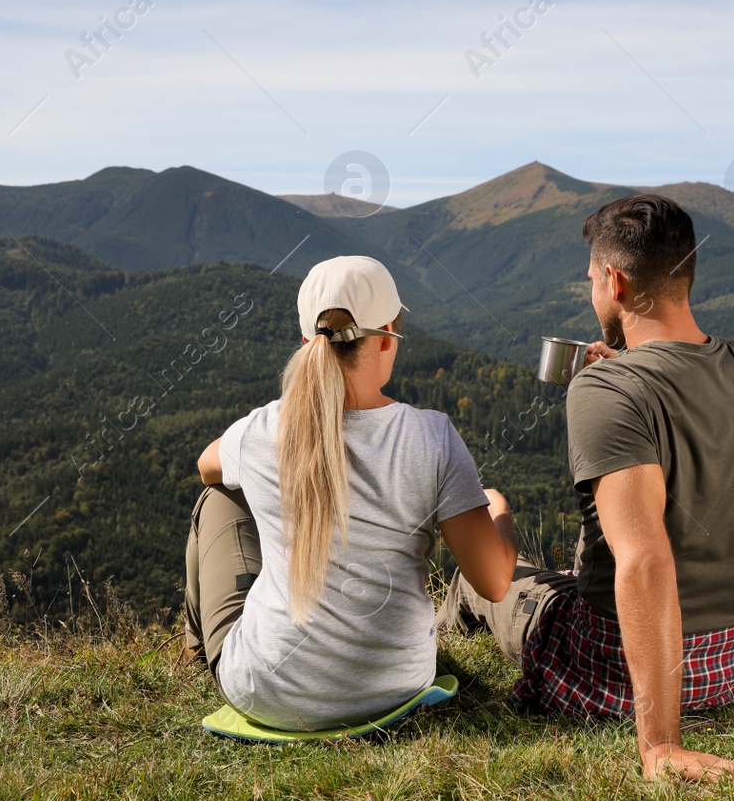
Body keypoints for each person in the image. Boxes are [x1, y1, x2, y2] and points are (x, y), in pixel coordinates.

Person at [438, 194, 734, 782]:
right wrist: (622, 368)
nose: (592, 294)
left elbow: (645, 560)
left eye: (591, 281)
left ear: (615, 280)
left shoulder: (606, 391)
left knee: (486, 582)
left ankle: (418, 644)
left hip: (614, 668)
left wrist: (660, 745)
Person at [183, 255, 517, 731]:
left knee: (217, 497)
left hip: (267, 692)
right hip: (396, 688)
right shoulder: (432, 436)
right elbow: (494, 583)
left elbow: (205, 466)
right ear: (387, 337)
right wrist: (499, 511)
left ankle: (198, 649)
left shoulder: (264, 429)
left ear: (306, 341)